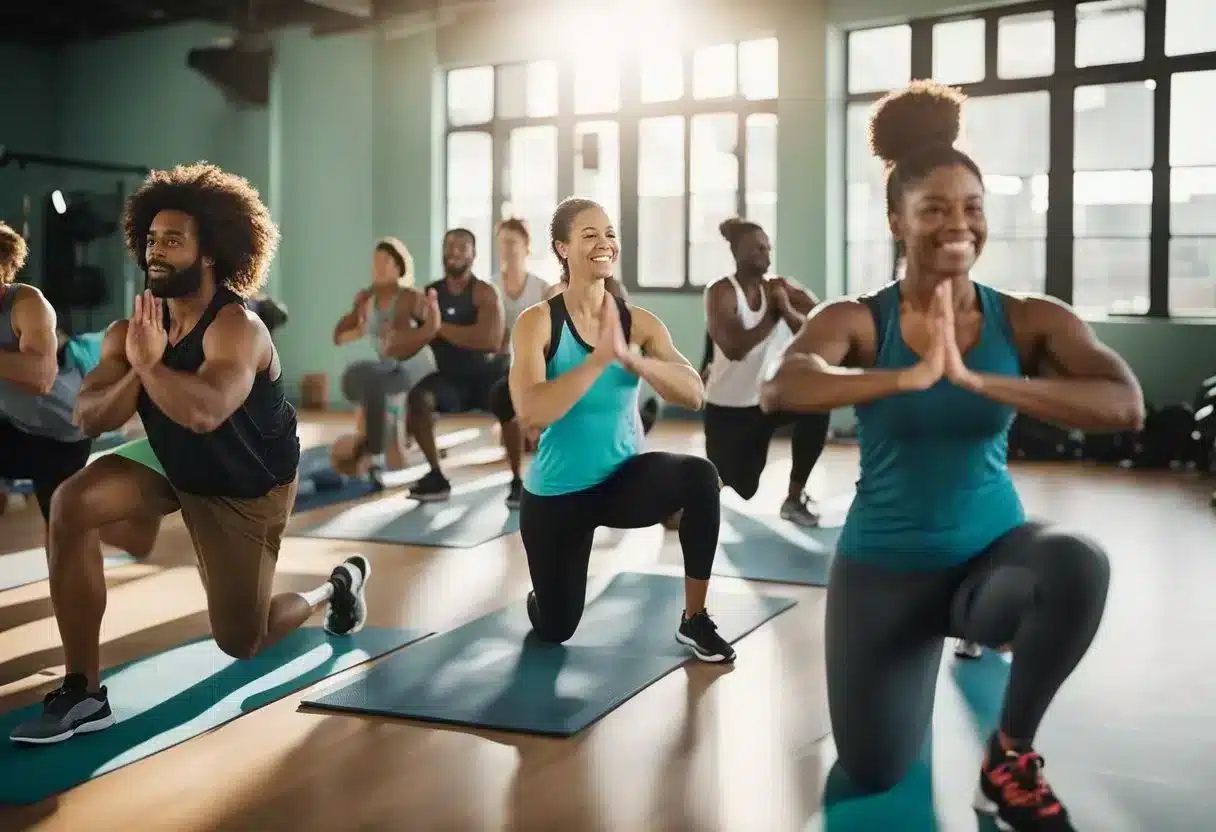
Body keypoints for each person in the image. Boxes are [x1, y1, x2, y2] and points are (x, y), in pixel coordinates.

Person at [762, 81, 1140, 830]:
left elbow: (1122, 403)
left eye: (972, 206)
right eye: (934, 208)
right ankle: (906, 679)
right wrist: (904, 377)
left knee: (1077, 563)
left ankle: (1010, 754)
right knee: (875, 770)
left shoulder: (1027, 318)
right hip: (883, 570)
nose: (957, 223)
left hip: (990, 560)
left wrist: (979, 380)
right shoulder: (857, 319)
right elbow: (784, 387)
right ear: (896, 220)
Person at [10, 162, 372, 746]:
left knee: (243, 640)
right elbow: (87, 416)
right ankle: (83, 692)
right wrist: (139, 366)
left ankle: (336, 586)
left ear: (210, 254)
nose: (156, 250)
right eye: (152, 239)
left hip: (245, 483)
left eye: (173, 240)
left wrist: (150, 366)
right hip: (172, 457)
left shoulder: (238, 329)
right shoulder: (133, 331)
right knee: (71, 501)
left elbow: (205, 413)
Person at [509, 196, 734, 663]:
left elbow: (694, 393)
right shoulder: (538, 323)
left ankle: (694, 619)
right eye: (589, 234)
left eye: (609, 234)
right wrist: (597, 361)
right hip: (557, 495)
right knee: (556, 628)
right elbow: (531, 413)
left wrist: (636, 360)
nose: (604, 243)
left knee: (700, 477)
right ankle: (544, 597)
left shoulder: (638, 322)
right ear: (563, 248)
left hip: (621, 482)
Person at [703, 217, 826, 526]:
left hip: (770, 401)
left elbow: (821, 325)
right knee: (741, 485)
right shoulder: (721, 291)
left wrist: (787, 309)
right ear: (738, 252)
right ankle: (684, 501)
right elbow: (735, 349)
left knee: (817, 409)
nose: (766, 254)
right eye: (758, 248)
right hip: (729, 408)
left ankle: (794, 498)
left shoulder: (781, 288)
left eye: (768, 247)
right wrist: (775, 313)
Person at [406, 229, 523, 506]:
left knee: (508, 396)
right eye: (449, 246)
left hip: (488, 377)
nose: (454, 251)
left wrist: (437, 327)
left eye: (462, 247)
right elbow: (410, 342)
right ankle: (436, 476)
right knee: (418, 399)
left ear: (473, 255)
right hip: (451, 381)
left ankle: (518, 481)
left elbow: (489, 340)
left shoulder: (484, 292)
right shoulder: (430, 296)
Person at [332, 237, 440, 480]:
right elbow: (339, 335)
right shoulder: (366, 298)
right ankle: (372, 451)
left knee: (381, 390)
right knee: (367, 383)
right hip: (387, 369)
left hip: (415, 368)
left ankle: (385, 452)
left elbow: (432, 330)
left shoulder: (410, 297)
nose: (378, 267)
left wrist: (404, 335)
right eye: (376, 262)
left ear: (398, 267)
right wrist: (359, 328)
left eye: (385, 262)